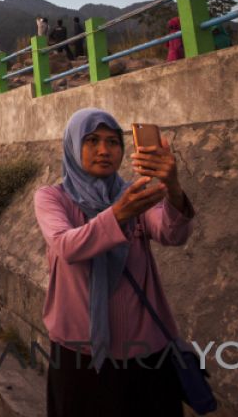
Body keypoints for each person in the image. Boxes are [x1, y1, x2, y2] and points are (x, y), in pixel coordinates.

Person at [34, 108, 195, 417]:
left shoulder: (131, 195)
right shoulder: (52, 198)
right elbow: (66, 246)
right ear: (72, 145)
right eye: (92, 140)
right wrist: (118, 215)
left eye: (113, 142)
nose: (104, 150)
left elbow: (171, 233)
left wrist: (173, 188)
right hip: (80, 352)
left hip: (146, 351)